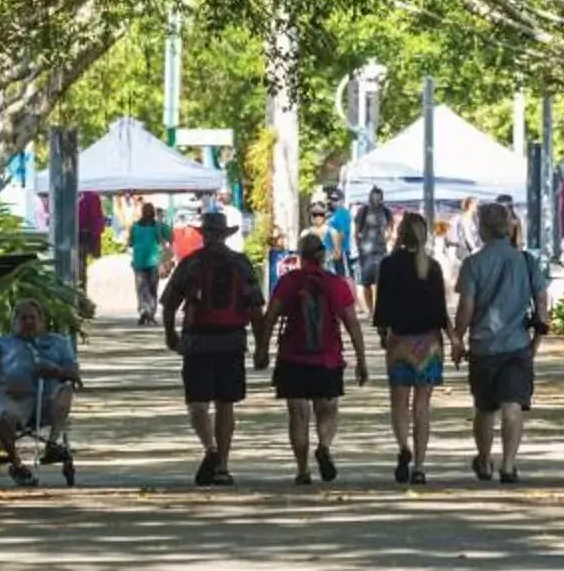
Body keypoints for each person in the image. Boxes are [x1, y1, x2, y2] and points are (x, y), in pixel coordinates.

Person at [161, 207, 265, 485]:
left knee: (197, 404)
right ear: (225, 235)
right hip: (232, 341)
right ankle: (223, 466)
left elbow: (169, 302)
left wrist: (170, 333)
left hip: (197, 342)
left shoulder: (191, 263)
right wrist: (261, 346)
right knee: (226, 404)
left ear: (204, 235)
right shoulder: (241, 263)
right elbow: (256, 309)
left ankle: (210, 449)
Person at [258, 232, 367, 483]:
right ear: (322, 255)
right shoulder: (336, 283)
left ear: (300, 257)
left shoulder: (288, 282)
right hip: (327, 359)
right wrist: (361, 359)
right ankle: (325, 446)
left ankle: (302, 470)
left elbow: (271, 316)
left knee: (298, 415)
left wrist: (262, 348)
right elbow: (352, 323)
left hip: (292, 358)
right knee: (327, 410)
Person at [452, 200, 547, 484]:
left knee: (484, 407)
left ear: (482, 229)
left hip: (483, 347)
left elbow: (466, 306)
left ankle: (484, 458)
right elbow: (542, 302)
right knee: (513, 405)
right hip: (517, 343)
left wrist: (458, 338)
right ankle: (508, 464)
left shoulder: (473, 264)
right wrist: (537, 340)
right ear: (508, 227)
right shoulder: (526, 261)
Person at [368, 209, 449, 482]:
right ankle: (420, 466)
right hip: (428, 343)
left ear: (401, 234)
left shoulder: (389, 265)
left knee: (399, 403)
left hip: (400, 341)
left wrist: (382, 333)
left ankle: (404, 447)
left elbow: (382, 307)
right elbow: (440, 310)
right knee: (422, 405)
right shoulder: (433, 266)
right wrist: (453, 338)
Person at [0, 299, 81, 486]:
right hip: (13, 398)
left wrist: (55, 370)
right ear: (14, 322)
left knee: (66, 390)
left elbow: (74, 374)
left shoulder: (59, 343)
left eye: (33, 318)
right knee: (4, 417)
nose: (29, 322)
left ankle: (52, 445)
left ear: (42, 321)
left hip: (48, 401)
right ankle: (16, 464)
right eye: (23, 318)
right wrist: (5, 380)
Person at [128, 200, 174, 325]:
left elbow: (130, 242)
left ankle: (144, 311)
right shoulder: (159, 226)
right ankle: (149, 312)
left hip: (140, 261)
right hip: (154, 262)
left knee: (141, 288)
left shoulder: (135, 226)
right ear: (153, 213)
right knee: (152, 288)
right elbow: (171, 237)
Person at [353, 187, 392, 286]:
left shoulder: (386, 211)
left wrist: (385, 241)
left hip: (381, 251)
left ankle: (378, 301)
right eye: (375, 197)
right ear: (370, 197)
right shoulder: (363, 210)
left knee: (381, 281)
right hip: (366, 252)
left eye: (379, 197)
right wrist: (359, 247)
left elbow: (390, 230)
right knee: (366, 283)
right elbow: (356, 233)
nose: (377, 200)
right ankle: (369, 302)